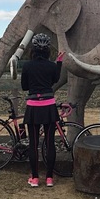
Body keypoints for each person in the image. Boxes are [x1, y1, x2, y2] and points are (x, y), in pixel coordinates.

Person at [20, 33, 64, 188]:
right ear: (47, 50)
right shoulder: (52, 66)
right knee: (50, 143)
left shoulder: (27, 66)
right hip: (49, 107)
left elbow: (24, 87)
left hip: (33, 107)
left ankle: (35, 178)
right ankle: (50, 178)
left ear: (33, 49)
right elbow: (55, 79)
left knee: (33, 143)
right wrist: (58, 63)